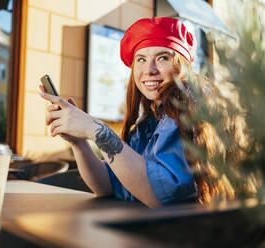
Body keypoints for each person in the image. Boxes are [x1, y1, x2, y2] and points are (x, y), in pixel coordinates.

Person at [39, 17, 228, 207]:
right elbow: (106, 185)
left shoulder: (185, 109)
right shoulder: (150, 121)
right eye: (141, 59)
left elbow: (161, 197)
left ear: (183, 66)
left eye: (163, 58)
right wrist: (78, 141)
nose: (149, 70)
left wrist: (96, 129)